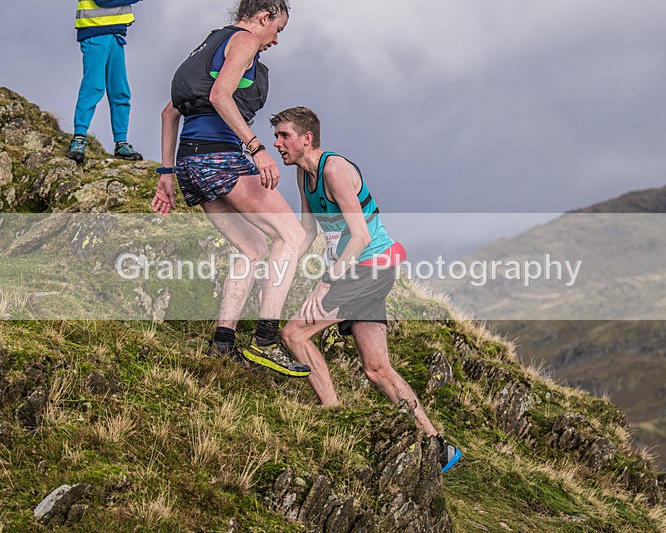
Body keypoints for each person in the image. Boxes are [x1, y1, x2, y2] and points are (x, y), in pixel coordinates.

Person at [272, 107, 462, 473]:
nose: (277, 143)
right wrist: (283, 264)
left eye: (284, 136)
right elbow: (308, 232)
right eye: (277, 136)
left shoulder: (334, 170)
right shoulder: (303, 176)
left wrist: (325, 284)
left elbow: (359, 237)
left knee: (294, 333)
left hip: (368, 268)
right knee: (377, 369)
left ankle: (333, 416)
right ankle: (440, 447)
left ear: (306, 138)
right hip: (361, 271)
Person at [151, 0, 310, 378]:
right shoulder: (243, 41)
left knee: (252, 247)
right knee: (291, 235)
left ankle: (222, 344)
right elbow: (221, 95)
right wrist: (257, 149)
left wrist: (167, 174)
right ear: (264, 16)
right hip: (221, 156)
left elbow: (169, 112)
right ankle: (266, 341)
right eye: (278, 29)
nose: (275, 40)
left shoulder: (208, 45)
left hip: (191, 163)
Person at [68, 0, 144, 164]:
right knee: (93, 87)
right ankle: (79, 139)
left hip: (114, 34)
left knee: (120, 91)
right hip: (94, 32)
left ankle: (121, 143)